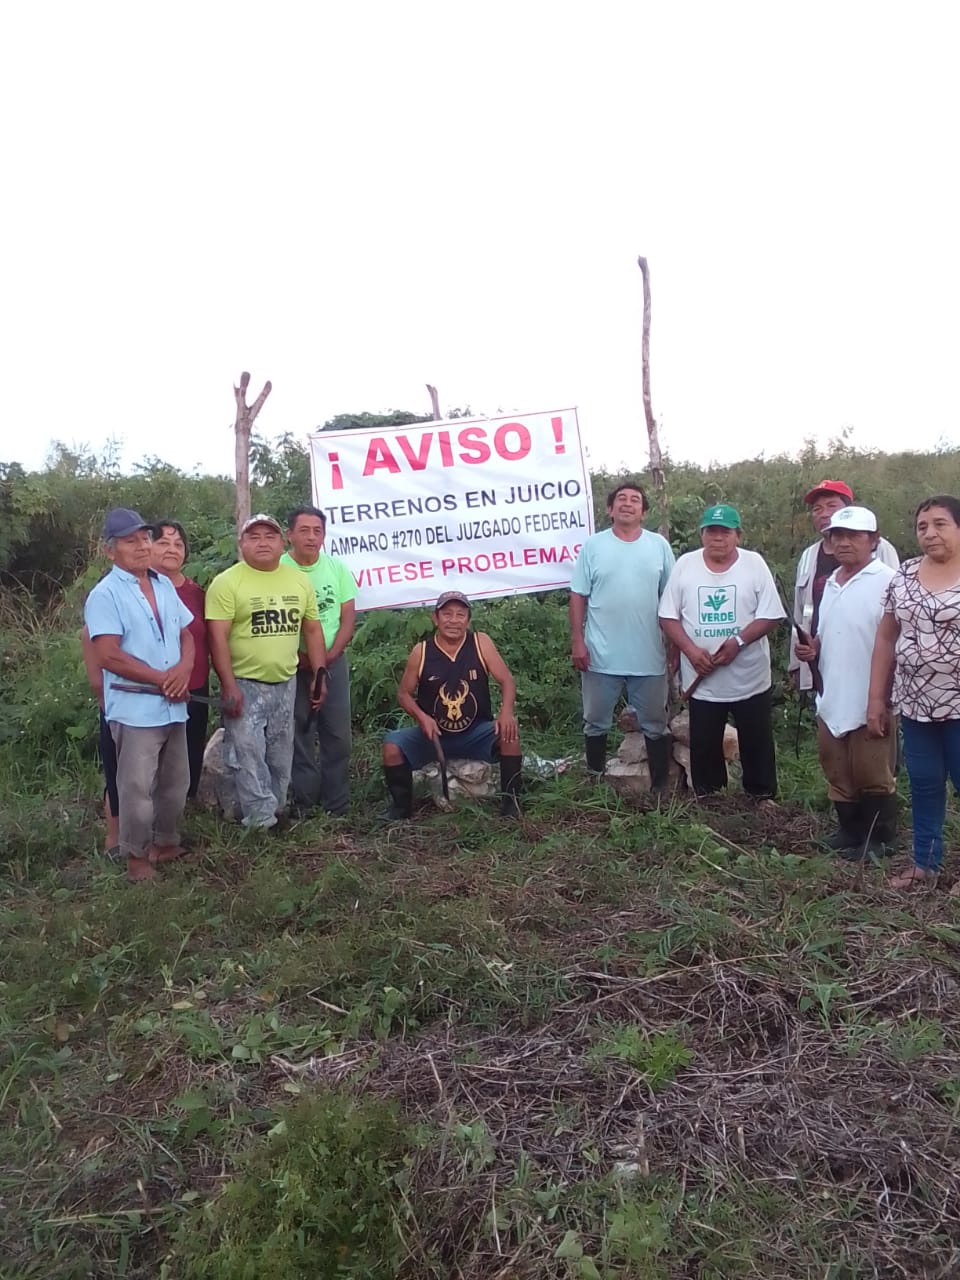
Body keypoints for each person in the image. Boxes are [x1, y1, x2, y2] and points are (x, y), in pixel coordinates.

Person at [83, 508, 195, 881]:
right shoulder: (106, 594)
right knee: (136, 790)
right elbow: (108, 654)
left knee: (175, 783)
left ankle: (165, 843)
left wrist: (181, 672)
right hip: (134, 709)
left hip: (173, 706)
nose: (142, 546)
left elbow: (187, 635)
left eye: (144, 538)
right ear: (110, 550)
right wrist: (161, 678)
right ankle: (136, 860)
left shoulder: (162, 585)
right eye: (131, 541)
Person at [205, 514, 327, 831]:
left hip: (285, 682)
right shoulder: (227, 583)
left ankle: (278, 808)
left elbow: (312, 630)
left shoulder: (298, 580)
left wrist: (320, 673)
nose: (262, 542)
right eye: (254, 536)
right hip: (245, 683)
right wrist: (228, 684)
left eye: (269, 536)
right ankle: (259, 821)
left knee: (280, 751)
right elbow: (216, 637)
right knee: (247, 753)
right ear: (241, 543)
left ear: (281, 542)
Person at [658, 504, 785, 798]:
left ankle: (761, 796)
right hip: (702, 679)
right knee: (704, 742)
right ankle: (709, 797)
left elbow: (771, 615)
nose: (718, 538)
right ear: (702, 534)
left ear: (737, 535)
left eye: (725, 531)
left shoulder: (754, 564)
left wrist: (738, 642)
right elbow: (667, 615)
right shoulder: (686, 565)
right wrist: (689, 650)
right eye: (711, 531)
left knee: (757, 740)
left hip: (749, 677)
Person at [867, 496, 960, 888]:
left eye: (940, 524)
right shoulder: (902, 575)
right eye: (922, 526)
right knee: (923, 782)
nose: (929, 533)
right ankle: (925, 863)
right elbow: (886, 638)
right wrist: (877, 698)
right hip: (916, 705)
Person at [794, 507, 897, 857]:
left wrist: (883, 698)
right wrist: (813, 648)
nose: (843, 542)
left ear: (874, 540)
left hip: (870, 693)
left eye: (854, 536)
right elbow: (827, 630)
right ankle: (849, 831)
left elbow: (896, 641)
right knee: (836, 765)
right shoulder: (832, 582)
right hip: (833, 692)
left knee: (871, 769)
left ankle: (879, 839)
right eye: (837, 536)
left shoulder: (888, 581)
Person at [568, 481, 675, 786]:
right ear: (609, 509)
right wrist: (578, 641)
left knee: (655, 724)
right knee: (595, 722)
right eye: (622, 499)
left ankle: (659, 787)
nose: (628, 504)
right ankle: (595, 781)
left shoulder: (658, 546)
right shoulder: (593, 546)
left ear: (643, 512)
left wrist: (674, 648)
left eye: (636, 500)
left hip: (648, 653)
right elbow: (578, 596)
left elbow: (672, 599)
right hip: (600, 654)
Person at [382, 591, 522, 819]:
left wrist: (506, 712)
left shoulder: (480, 642)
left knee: (510, 733)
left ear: (468, 620)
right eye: (447, 614)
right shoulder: (422, 651)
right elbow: (404, 694)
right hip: (433, 736)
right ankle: (400, 809)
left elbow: (506, 680)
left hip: (476, 732)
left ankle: (511, 804)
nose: (453, 620)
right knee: (391, 746)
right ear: (435, 618)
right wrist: (422, 718)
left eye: (460, 614)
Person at [280, 505, 357, 817]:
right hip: (293, 667)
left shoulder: (337, 569)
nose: (311, 537)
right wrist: (305, 661)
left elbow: (347, 619)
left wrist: (326, 659)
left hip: (332, 663)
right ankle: (304, 803)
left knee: (338, 735)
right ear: (290, 535)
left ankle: (337, 804)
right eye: (304, 530)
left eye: (317, 531)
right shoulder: (279, 569)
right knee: (298, 734)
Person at [790, 479, 899, 691]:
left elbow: (896, 611)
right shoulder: (809, 556)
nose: (823, 514)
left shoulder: (881, 550)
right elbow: (800, 610)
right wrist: (796, 663)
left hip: (868, 664)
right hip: (820, 658)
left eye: (831, 506)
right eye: (817, 509)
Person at [151, 521, 210, 799]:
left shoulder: (196, 592)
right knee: (149, 767)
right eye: (163, 542)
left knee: (189, 757)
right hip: (151, 691)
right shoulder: (134, 589)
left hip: (194, 690)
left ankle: (183, 820)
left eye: (178, 544)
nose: (171, 549)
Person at [80, 623, 120, 854]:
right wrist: (109, 708)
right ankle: (114, 839)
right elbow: (97, 682)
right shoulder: (94, 626)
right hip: (115, 708)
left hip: (141, 708)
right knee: (116, 775)